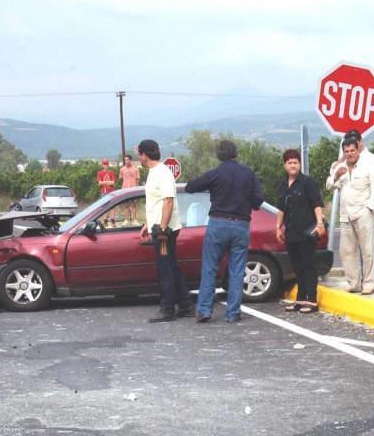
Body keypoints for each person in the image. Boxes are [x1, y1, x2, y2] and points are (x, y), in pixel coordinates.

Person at [186, 140, 264, 324]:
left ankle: (204, 310)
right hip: (241, 225)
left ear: (219, 155)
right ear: (236, 153)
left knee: (210, 268)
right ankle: (233, 313)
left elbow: (190, 187)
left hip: (218, 223)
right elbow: (258, 200)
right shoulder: (248, 173)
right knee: (237, 270)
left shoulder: (216, 173)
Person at [137, 139, 193, 323]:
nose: (139, 157)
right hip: (159, 226)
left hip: (164, 231)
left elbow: (168, 201)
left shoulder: (162, 173)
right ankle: (185, 304)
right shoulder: (154, 173)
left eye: (139, 154)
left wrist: (161, 228)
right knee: (172, 265)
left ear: (144, 154)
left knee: (165, 268)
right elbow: (157, 203)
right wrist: (148, 223)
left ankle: (167, 308)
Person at [326, 136, 374, 294]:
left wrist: (370, 208)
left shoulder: (367, 165)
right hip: (345, 215)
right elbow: (329, 185)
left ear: (358, 150)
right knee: (347, 251)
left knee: (367, 250)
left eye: (352, 150)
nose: (350, 154)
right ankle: (353, 283)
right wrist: (336, 176)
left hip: (363, 213)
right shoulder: (340, 166)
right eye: (347, 151)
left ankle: (369, 284)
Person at [277, 149, 325, 314]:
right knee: (297, 268)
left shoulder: (307, 183)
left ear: (299, 164)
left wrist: (319, 223)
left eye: (295, 162)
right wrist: (278, 227)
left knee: (308, 266)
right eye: (289, 163)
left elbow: (316, 204)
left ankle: (311, 300)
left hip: (306, 232)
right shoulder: (283, 184)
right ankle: (300, 299)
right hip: (291, 233)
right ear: (285, 165)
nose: (293, 165)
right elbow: (281, 209)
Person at [119, 154, 141, 225]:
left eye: (127, 160)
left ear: (130, 160)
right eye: (125, 160)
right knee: (126, 205)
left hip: (133, 189)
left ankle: (134, 220)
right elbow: (121, 179)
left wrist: (136, 188)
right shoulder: (122, 169)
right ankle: (126, 220)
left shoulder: (135, 169)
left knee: (134, 205)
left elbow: (138, 179)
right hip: (125, 189)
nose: (126, 161)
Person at [97, 159, 117, 226]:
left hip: (111, 191)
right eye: (104, 164)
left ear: (108, 165)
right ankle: (105, 220)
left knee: (112, 206)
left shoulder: (111, 172)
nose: (105, 165)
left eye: (106, 164)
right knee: (104, 206)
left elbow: (113, 182)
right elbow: (99, 183)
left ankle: (112, 219)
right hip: (103, 191)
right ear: (102, 165)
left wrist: (104, 182)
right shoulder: (100, 173)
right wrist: (107, 182)